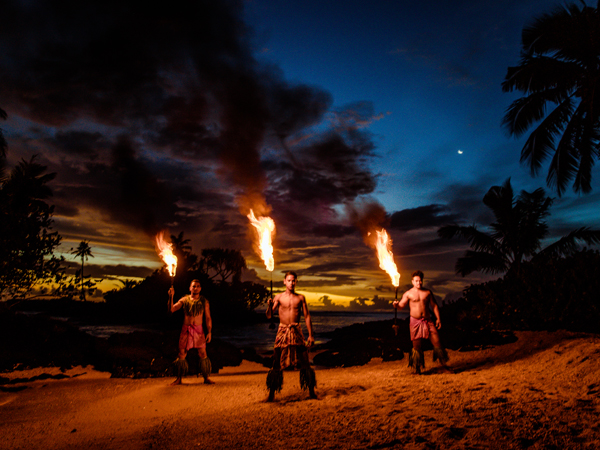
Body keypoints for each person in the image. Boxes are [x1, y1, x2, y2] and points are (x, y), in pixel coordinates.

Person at [265, 271, 317, 401]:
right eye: (289, 280)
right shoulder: (278, 297)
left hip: (296, 329)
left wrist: (310, 335)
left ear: (296, 282)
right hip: (282, 330)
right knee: (276, 361)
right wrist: (269, 306)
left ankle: (311, 391)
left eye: (293, 280)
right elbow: (269, 315)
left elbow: (306, 316)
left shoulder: (300, 298)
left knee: (305, 360)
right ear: (284, 282)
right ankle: (271, 394)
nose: (291, 283)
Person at [393, 270, 451, 374]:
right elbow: (401, 306)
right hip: (415, 321)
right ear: (412, 282)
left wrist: (438, 318)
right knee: (416, 347)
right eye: (416, 281)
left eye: (420, 281)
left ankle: (443, 366)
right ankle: (417, 368)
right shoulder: (408, 293)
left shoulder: (427, 292)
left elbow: (434, 306)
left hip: (428, 321)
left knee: (437, 342)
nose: (419, 283)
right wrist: (396, 305)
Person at [168, 279, 214, 385]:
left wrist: (209, 332)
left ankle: (206, 378)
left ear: (200, 288)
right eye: (194, 286)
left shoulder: (204, 301)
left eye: (198, 286)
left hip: (199, 331)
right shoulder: (185, 299)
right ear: (190, 288)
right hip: (186, 330)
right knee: (182, 354)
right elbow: (171, 310)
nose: (196, 288)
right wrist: (171, 296)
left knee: (203, 353)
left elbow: (208, 318)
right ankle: (179, 379)